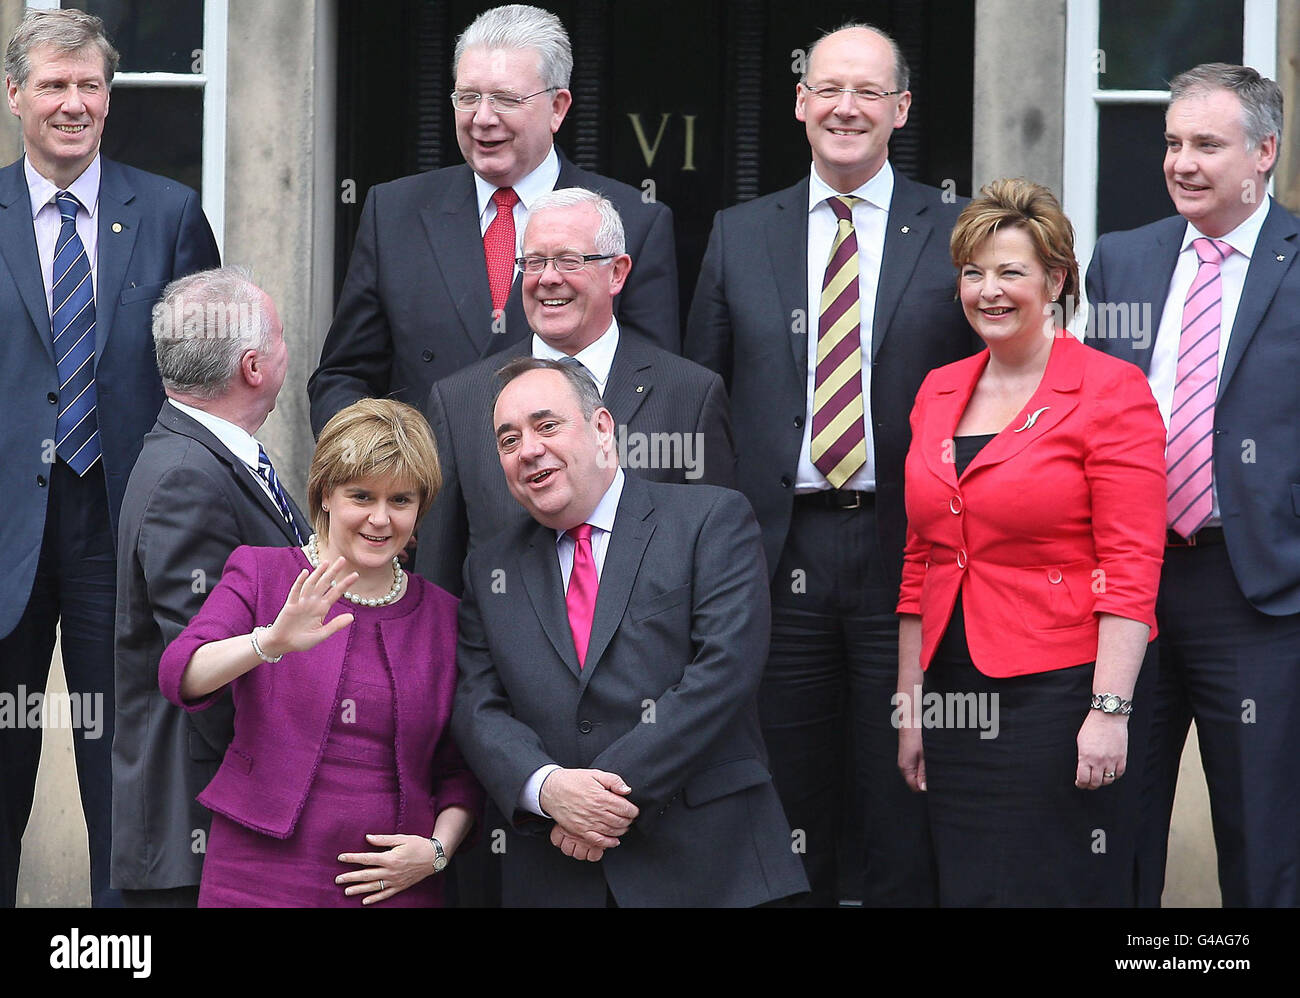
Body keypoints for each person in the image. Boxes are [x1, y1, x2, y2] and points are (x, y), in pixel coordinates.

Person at [684, 22, 976, 906]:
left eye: (870, 92)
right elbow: (708, 407)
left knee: (905, 788)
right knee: (785, 790)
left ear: (901, 110)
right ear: (802, 101)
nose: (847, 107)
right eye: (829, 89)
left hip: (914, 550)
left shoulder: (957, 230)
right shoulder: (739, 234)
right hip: (780, 557)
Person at [0, 7, 220, 908]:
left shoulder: (168, 214)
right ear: (16, 96)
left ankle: (113, 953)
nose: (73, 103)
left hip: (125, 533)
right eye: (53, 85)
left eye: (89, 85)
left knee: (125, 770)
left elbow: (205, 381)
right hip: (6, 534)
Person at [896, 178, 1166, 905]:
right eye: (973, 272)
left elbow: (1132, 566)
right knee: (968, 889)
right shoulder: (939, 390)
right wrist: (910, 706)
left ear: (1054, 281)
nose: (989, 290)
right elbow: (921, 556)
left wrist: (1108, 714)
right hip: (953, 692)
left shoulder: (1112, 391)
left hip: (1057, 696)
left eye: (1010, 271)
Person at [450, 357, 808, 906]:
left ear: (600, 428)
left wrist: (594, 798)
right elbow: (478, 704)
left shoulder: (710, 520)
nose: (528, 450)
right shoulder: (489, 569)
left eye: (547, 426)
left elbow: (724, 672)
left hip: (711, 869)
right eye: (508, 439)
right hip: (556, 874)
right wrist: (547, 790)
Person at [1085, 63, 1300, 908]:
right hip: (1130, 588)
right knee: (1112, 821)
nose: (1182, 161)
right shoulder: (1123, 260)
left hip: (1257, 592)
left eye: (1207, 144)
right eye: (1173, 142)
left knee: (1265, 837)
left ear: (1264, 154)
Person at [158, 400, 482, 907]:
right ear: (326, 493)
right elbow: (181, 674)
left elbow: (459, 769)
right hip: (257, 873)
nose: (380, 519)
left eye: (400, 500)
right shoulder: (263, 574)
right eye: (361, 495)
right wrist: (269, 642)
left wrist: (436, 851)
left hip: (393, 883)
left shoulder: (444, 616)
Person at [307, 3, 679, 437]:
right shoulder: (393, 212)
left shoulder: (635, 220)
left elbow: (653, 390)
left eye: (506, 98)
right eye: (468, 97)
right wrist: (378, 465)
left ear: (557, 107)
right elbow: (343, 376)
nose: (482, 118)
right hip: (429, 492)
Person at [418, 187, 734, 597]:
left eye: (570, 260)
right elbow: (439, 584)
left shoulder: (690, 394)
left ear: (617, 273)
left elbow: (720, 569)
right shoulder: (460, 400)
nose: (549, 278)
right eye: (533, 262)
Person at [112, 268, 310, 908]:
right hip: (199, 834)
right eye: (280, 339)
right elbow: (203, 664)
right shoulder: (186, 477)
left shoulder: (209, 453)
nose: (287, 351)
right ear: (254, 367)